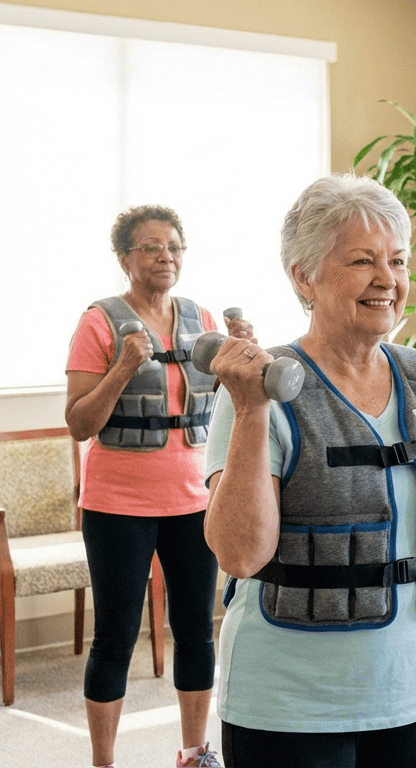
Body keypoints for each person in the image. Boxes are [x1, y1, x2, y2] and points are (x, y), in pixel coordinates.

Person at [202, 175, 416, 767]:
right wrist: (251, 409)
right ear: (305, 276)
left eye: (399, 261)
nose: (389, 279)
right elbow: (240, 554)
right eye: (362, 260)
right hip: (289, 705)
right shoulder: (257, 391)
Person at [65, 205, 241, 768]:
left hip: (193, 501)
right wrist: (122, 367)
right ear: (124, 257)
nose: (165, 256)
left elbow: (230, 404)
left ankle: (194, 752)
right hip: (117, 504)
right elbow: (80, 424)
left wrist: (241, 354)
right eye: (150, 247)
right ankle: (103, 762)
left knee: (196, 630)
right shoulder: (98, 322)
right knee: (115, 637)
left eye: (173, 246)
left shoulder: (201, 317)